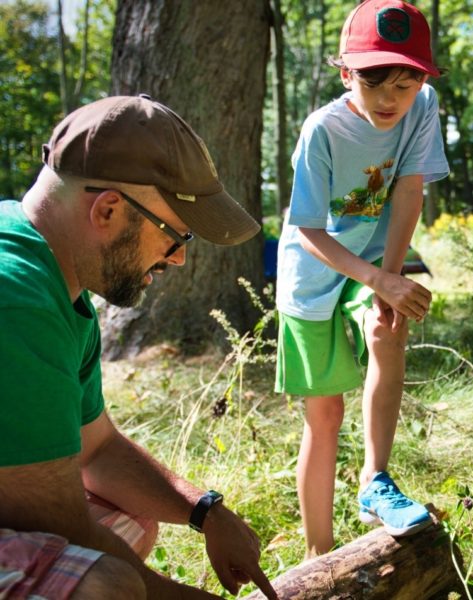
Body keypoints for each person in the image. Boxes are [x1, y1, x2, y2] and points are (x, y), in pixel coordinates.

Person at [0, 95, 278, 600]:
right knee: (109, 587)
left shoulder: (55, 279)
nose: (178, 260)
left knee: (133, 521)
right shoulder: (16, 298)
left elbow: (97, 448)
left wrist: (206, 513)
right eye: (177, 236)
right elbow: (56, 521)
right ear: (107, 210)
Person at [275, 0, 448, 557]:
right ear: (346, 73)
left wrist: (388, 282)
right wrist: (378, 277)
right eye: (376, 84)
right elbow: (307, 231)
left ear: (422, 78)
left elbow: (409, 189)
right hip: (314, 271)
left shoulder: (423, 107)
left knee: (387, 329)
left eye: (406, 83)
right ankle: (318, 559)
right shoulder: (321, 131)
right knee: (325, 415)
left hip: (376, 260)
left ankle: (375, 481)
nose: (391, 99)